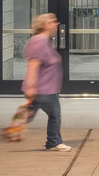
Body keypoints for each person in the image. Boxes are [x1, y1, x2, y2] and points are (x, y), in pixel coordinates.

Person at [22, 12, 71, 152]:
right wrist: (30, 87)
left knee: (30, 114)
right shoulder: (39, 41)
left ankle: (13, 130)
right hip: (43, 89)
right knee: (55, 115)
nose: (55, 24)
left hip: (45, 88)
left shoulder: (43, 40)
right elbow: (33, 64)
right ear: (44, 25)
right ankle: (54, 142)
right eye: (52, 22)